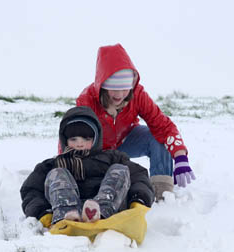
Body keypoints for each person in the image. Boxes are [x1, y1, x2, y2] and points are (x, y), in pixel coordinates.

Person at [76, 43, 195, 200]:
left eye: (125, 88)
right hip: (98, 150)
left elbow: (163, 126)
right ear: (103, 85)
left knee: (156, 136)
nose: (120, 95)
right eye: (114, 88)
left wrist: (180, 157)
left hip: (126, 138)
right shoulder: (87, 100)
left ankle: (161, 192)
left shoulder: (138, 95)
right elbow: (73, 138)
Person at [21, 106, 154, 225]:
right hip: (68, 212)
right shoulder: (53, 164)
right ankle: (66, 216)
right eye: (73, 139)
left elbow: (139, 176)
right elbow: (31, 189)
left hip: (109, 210)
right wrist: (42, 213)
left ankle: (101, 212)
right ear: (64, 140)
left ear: (96, 138)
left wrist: (139, 200)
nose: (80, 144)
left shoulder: (112, 157)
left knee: (120, 169)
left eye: (86, 139)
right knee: (56, 173)